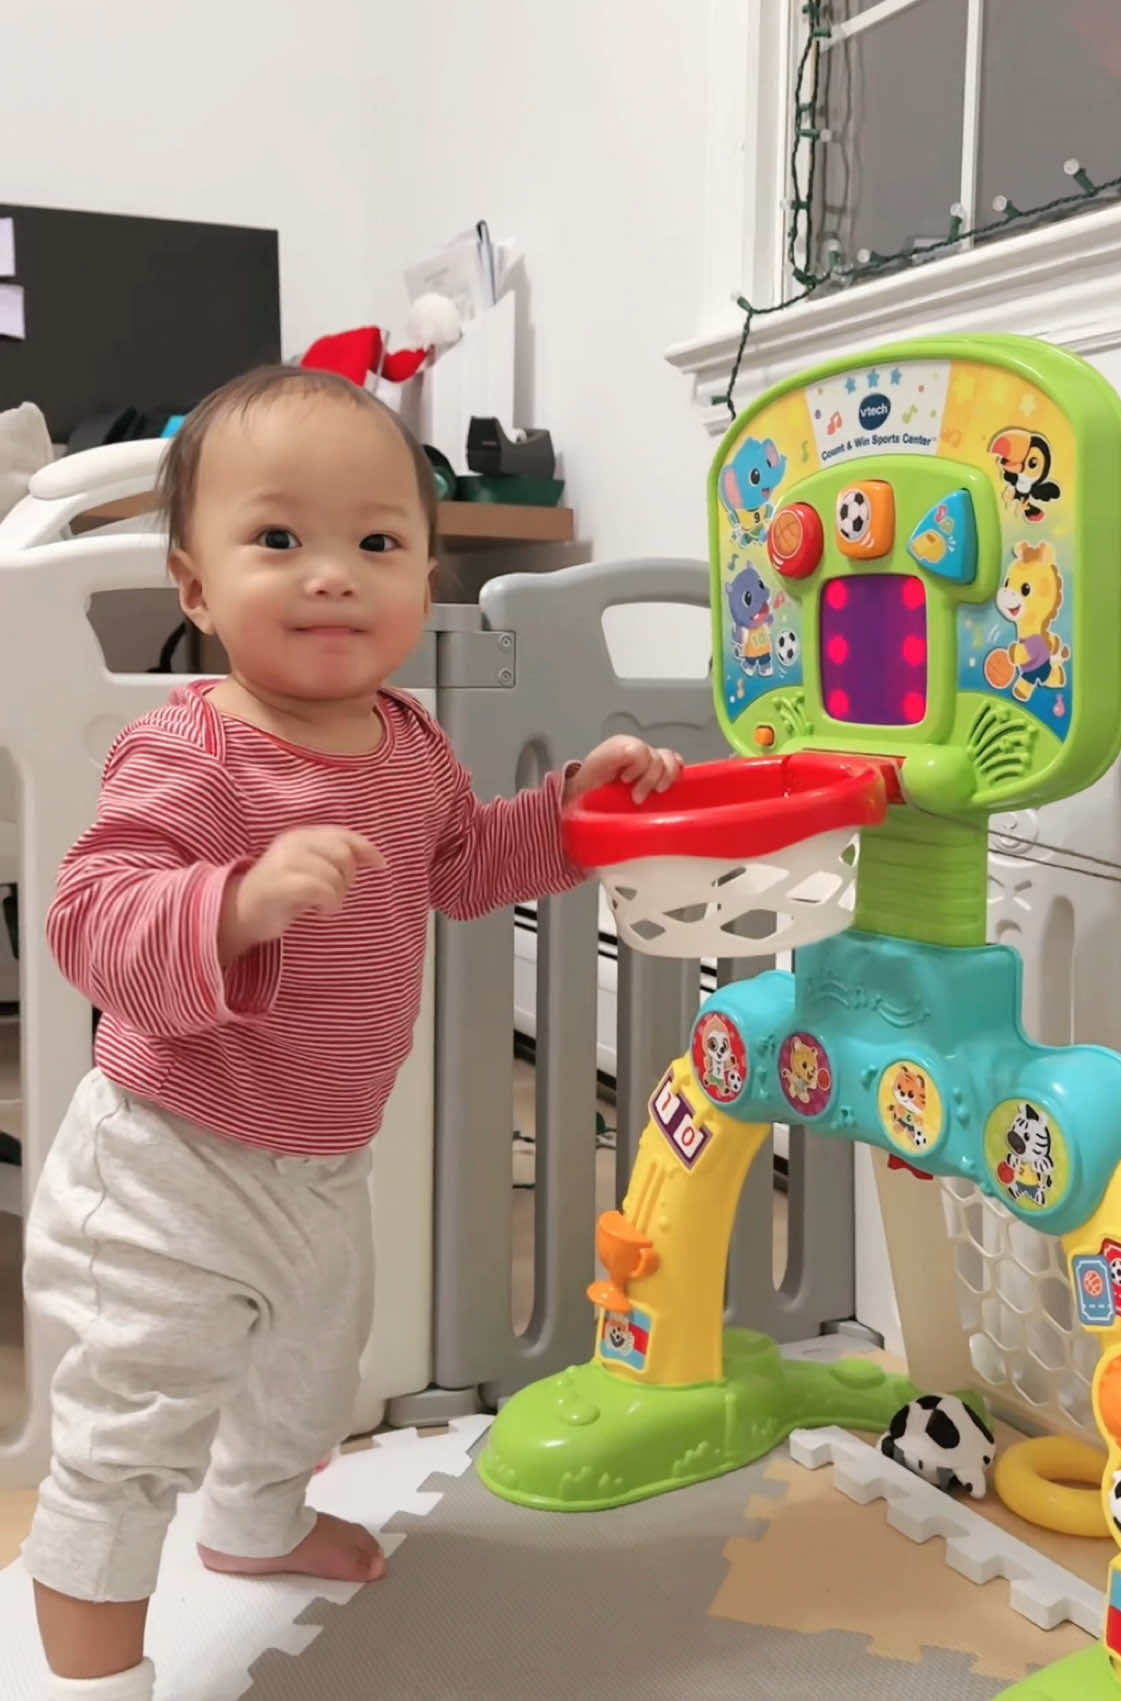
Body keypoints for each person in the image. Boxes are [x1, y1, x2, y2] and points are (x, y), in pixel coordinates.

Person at [22, 366, 682, 1700]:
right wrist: (233, 903)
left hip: (319, 1159)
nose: (333, 574)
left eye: (376, 543)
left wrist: (571, 808)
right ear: (195, 587)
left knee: (306, 1377)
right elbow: (91, 919)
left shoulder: (408, 744)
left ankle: (256, 1525)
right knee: (132, 1428)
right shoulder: (192, 754)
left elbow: (467, 864)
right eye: (278, 539)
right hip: (164, 1165)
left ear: (424, 577)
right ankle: (95, 1683)